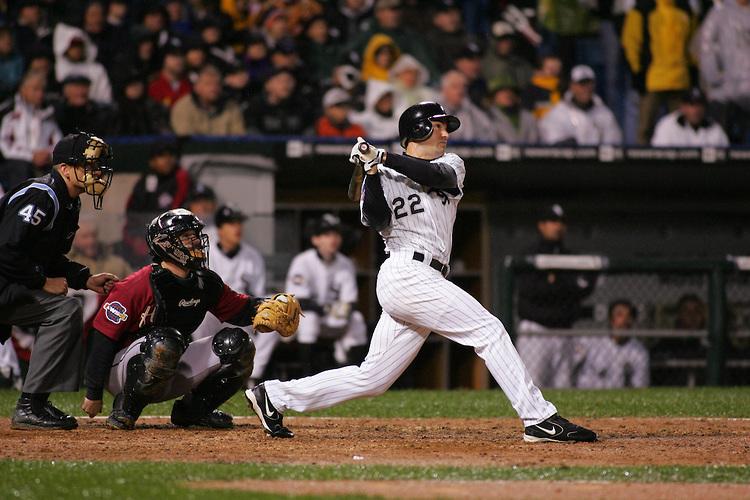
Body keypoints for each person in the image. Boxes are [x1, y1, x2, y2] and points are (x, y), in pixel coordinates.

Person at [245, 102, 597, 443]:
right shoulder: (381, 175)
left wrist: (382, 157)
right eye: (439, 125)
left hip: (427, 277)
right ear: (419, 128)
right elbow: (376, 219)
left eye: (445, 126)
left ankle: (273, 395)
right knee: (488, 330)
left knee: (373, 378)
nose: (445, 133)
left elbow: (434, 176)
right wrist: (370, 173)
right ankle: (538, 419)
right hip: (405, 271)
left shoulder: (452, 164)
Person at [81, 209, 275, 430]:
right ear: (165, 244)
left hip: (170, 357)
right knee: (166, 342)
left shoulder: (205, 282)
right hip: (123, 370)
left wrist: (266, 307)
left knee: (239, 344)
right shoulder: (139, 283)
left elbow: (239, 309)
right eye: (187, 236)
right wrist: (93, 392)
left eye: (196, 235)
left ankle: (194, 412)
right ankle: (125, 409)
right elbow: (103, 336)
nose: (196, 242)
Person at [0, 132, 117, 430]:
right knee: (63, 311)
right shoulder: (42, 195)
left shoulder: (68, 201)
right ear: (65, 169)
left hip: (8, 286)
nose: (98, 172)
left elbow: (47, 257)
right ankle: (31, 405)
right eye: (89, 166)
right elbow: (5, 250)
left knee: (65, 310)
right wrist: (41, 281)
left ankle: (34, 404)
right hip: (6, 283)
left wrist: (85, 278)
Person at [515, 204, 595, 388]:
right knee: (532, 387)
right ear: (541, 225)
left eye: (561, 222)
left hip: (564, 332)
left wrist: (553, 282)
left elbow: (584, 288)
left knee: (565, 387)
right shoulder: (529, 255)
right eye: (552, 221)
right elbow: (531, 290)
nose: (557, 226)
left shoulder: (571, 256)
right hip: (535, 332)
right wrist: (565, 286)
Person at [191, 205, 272, 383]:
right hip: (213, 312)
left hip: (240, 313)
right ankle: (200, 371)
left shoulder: (253, 256)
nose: (237, 228)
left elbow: (258, 293)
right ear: (219, 228)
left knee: (272, 320)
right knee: (201, 315)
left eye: (239, 223)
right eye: (231, 223)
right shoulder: (205, 253)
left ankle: (252, 376)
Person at [282, 213, 369, 375]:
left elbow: (350, 302)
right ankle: (308, 375)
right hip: (305, 319)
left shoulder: (346, 263)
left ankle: (355, 374)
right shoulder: (302, 261)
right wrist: (328, 308)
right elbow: (298, 301)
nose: (333, 239)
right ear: (315, 239)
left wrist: (339, 310)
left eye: (336, 234)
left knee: (357, 320)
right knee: (309, 318)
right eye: (327, 234)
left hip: (332, 317)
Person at [621, 0, 695, 145]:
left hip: (679, 79)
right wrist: (638, 73)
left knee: (681, 128)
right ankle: (641, 162)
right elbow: (631, 41)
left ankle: (682, 165)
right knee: (645, 128)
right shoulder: (643, 8)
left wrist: (692, 71)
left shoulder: (684, 8)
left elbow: (692, 45)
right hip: (652, 79)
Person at [121, 141, 192, 267]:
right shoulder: (147, 179)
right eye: (161, 156)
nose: (167, 160)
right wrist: (137, 239)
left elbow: (176, 212)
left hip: (170, 237)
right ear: (152, 161)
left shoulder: (180, 177)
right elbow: (132, 210)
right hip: (142, 234)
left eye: (170, 155)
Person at [0, 71, 62, 192]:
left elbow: (58, 143)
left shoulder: (48, 114)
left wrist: (48, 155)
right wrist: (31, 157)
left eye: (42, 90)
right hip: (15, 164)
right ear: (23, 89)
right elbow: (4, 145)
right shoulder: (9, 112)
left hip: (45, 162)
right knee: (20, 167)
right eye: (35, 89)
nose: (40, 94)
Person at [700, 0, 750, 144]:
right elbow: (706, 46)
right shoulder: (720, 12)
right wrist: (713, 76)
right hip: (726, 93)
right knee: (721, 144)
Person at [539, 65, 622, 145]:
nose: (586, 88)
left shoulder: (604, 114)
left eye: (589, 83)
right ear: (572, 86)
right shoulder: (558, 113)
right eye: (581, 84)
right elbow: (552, 144)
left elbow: (614, 144)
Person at [576, 300, 650, 389]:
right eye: (620, 315)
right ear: (611, 320)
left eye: (628, 316)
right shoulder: (594, 344)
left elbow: (640, 385)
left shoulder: (639, 351)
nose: (624, 320)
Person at [171, 65, 246, 136]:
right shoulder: (183, 107)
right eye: (208, 84)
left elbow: (238, 139)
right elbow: (186, 140)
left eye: (217, 84)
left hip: (225, 149)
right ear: (197, 87)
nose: (214, 88)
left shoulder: (231, 107)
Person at [52, 23, 112, 104]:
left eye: (79, 46)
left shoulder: (97, 69)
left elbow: (105, 97)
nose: (77, 50)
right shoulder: (56, 68)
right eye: (73, 46)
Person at [651, 87, 729, 147]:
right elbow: (659, 156)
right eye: (692, 105)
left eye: (700, 105)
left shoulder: (715, 128)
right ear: (682, 107)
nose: (696, 110)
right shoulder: (667, 125)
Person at [438, 70, 495, 142]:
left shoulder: (470, 109)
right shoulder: (434, 109)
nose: (460, 91)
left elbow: (487, 131)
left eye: (463, 87)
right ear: (444, 89)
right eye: (455, 87)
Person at [487, 75, 539, 144]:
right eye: (502, 91)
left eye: (511, 91)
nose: (508, 94)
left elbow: (534, 144)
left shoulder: (528, 117)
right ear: (493, 96)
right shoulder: (487, 116)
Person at [148, 45, 192, 110]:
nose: (179, 60)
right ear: (163, 60)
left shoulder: (190, 84)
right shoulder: (153, 85)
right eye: (174, 56)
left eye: (181, 56)